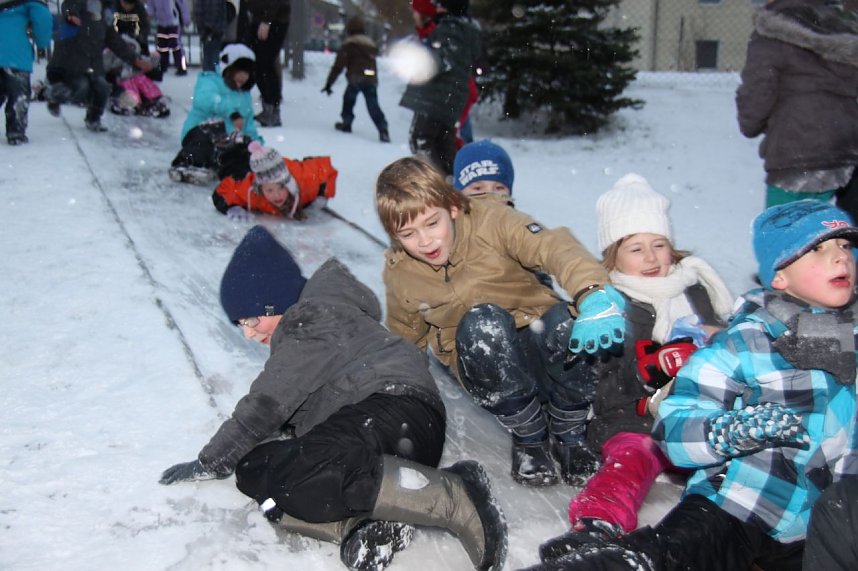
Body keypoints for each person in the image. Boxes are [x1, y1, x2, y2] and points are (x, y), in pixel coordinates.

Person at [533, 199, 858, 571]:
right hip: (742, 498)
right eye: (816, 249)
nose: (840, 257)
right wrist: (729, 429)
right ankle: (598, 526)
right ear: (779, 277)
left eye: (845, 245)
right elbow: (673, 427)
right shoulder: (749, 342)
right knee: (662, 552)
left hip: (823, 524)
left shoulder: (696, 293)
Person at [158, 225, 507, 571]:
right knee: (254, 468)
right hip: (383, 435)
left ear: (276, 301)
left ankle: (456, 495)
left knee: (297, 473)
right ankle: (364, 524)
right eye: (240, 325)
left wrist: (212, 461)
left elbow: (265, 405)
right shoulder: (315, 322)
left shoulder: (310, 321)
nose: (248, 334)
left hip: (396, 412)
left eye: (252, 319)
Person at [375, 157, 625, 488]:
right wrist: (396, 398)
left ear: (452, 206)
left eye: (432, 223)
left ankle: (570, 433)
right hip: (487, 362)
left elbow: (553, 247)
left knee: (568, 325)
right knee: (482, 325)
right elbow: (406, 343)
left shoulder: (492, 220)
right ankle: (530, 437)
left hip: (538, 335)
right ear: (394, 235)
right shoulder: (402, 274)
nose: (425, 241)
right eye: (408, 233)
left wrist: (593, 293)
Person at [563, 174, 733, 539]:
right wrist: (647, 372)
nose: (652, 257)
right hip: (635, 422)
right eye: (636, 249)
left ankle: (729, 532)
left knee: (737, 464)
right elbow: (599, 395)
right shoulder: (611, 307)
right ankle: (598, 520)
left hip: (700, 416)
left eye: (659, 244)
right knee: (633, 459)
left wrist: (720, 343)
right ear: (613, 255)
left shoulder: (694, 290)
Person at [736, 0, 858, 220]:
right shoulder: (840, 28)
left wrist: (748, 121)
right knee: (831, 231)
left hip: (797, 152)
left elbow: (758, 94)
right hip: (844, 149)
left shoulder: (771, 33)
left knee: (781, 231)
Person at [45, 0, 154, 132]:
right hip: (70, 59)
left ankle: (93, 119)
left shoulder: (105, 10)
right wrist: (71, 15)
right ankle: (54, 95)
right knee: (81, 86)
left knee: (103, 88)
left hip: (93, 61)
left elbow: (114, 41)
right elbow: (69, 5)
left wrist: (135, 59)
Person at [401, 0, 481, 175]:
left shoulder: (450, 28)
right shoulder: (465, 30)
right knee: (444, 143)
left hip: (437, 96)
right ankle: (453, 182)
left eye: (439, 4)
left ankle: (438, 184)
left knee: (421, 140)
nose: (436, 8)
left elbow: (442, 59)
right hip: (452, 96)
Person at [169, 43, 261, 184]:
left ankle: (235, 175)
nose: (243, 77)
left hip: (227, 143)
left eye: (247, 73)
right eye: (239, 71)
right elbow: (206, 99)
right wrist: (232, 112)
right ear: (229, 68)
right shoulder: (210, 81)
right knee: (212, 130)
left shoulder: (244, 97)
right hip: (199, 134)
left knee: (244, 147)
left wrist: (257, 147)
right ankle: (186, 163)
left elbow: (248, 126)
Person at [212, 141, 337, 222]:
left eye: (281, 187)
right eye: (269, 190)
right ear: (260, 189)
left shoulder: (305, 181)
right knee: (229, 163)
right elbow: (221, 192)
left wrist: (322, 195)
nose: (277, 195)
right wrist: (232, 207)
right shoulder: (251, 190)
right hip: (241, 165)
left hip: (291, 168)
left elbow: (327, 169)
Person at [322, 16, 390, 143]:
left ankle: (346, 123)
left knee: (348, 100)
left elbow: (338, 66)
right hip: (370, 79)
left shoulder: (349, 44)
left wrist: (329, 84)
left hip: (355, 78)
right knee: (373, 105)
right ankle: (383, 129)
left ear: (350, 30)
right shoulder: (370, 44)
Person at [0, 0, 52, 145]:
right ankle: (16, 133)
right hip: (14, 53)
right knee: (18, 95)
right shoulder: (30, 2)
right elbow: (43, 18)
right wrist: (42, 42)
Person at [241, 0, 290, 127]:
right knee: (258, 65)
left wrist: (267, 20)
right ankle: (270, 107)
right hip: (260, 17)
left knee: (264, 64)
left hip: (272, 19)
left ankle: (272, 109)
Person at [103, 35, 169, 117]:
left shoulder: (137, 59)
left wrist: (154, 60)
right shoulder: (113, 58)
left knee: (142, 80)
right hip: (120, 81)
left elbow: (148, 63)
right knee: (129, 83)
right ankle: (133, 103)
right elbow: (106, 67)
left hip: (135, 78)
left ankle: (154, 98)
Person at [147, 0, 190, 76]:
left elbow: (182, 5)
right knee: (162, 46)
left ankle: (182, 67)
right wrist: (149, 15)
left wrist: (186, 19)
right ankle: (163, 66)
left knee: (176, 45)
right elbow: (150, 5)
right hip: (161, 22)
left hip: (174, 22)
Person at [193, 0, 233, 72]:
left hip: (206, 30)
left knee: (208, 57)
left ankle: (208, 74)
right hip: (217, 30)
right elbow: (223, 13)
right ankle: (214, 73)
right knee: (215, 56)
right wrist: (221, 29)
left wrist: (202, 30)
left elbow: (198, 14)